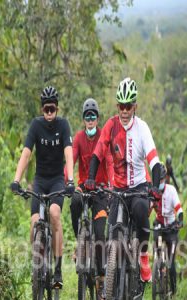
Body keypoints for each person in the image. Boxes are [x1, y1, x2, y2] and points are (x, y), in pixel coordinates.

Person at [85, 77, 162, 282]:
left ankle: (143, 256)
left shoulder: (142, 128)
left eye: (128, 106)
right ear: (117, 106)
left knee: (140, 213)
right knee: (112, 230)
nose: (125, 111)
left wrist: (154, 186)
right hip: (118, 189)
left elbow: (154, 161)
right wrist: (91, 178)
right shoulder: (111, 125)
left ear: (135, 106)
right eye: (121, 106)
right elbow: (98, 153)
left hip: (138, 186)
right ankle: (112, 277)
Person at [10, 86, 75, 287]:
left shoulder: (63, 125)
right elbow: (27, 153)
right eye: (46, 110)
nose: (49, 114)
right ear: (41, 109)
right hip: (39, 181)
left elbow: (68, 152)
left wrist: (70, 180)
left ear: (57, 109)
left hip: (57, 180)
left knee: (54, 214)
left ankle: (57, 270)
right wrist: (16, 179)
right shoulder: (35, 126)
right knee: (34, 222)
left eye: (52, 110)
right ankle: (37, 263)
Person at [67, 98, 114, 299]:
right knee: (74, 203)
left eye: (93, 116)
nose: (90, 120)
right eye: (87, 116)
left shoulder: (104, 137)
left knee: (99, 234)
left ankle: (101, 280)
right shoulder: (78, 138)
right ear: (83, 119)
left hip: (101, 192)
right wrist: (67, 181)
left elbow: (110, 162)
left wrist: (111, 185)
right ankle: (80, 239)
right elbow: (72, 159)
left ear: (98, 118)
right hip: (83, 189)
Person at [150, 163, 183, 295]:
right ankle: (158, 270)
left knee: (171, 261)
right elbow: (148, 207)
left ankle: (173, 291)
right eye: (158, 180)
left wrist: (180, 220)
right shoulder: (153, 191)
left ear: (165, 179)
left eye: (162, 180)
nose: (160, 182)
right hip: (159, 225)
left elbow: (179, 209)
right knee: (157, 248)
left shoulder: (171, 191)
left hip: (171, 228)